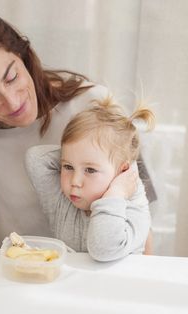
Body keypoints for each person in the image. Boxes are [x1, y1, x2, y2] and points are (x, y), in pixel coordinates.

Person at [0, 8, 156, 248]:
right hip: (12, 276)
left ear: (24, 56)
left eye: (11, 77)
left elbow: (141, 222)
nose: (12, 101)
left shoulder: (93, 105)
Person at [25, 97, 154, 261]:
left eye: (90, 170)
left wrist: (116, 192)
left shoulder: (133, 209)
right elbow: (34, 159)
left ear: (123, 171)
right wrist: (79, 152)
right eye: (68, 167)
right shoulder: (62, 201)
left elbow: (103, 249)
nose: (75, 181)